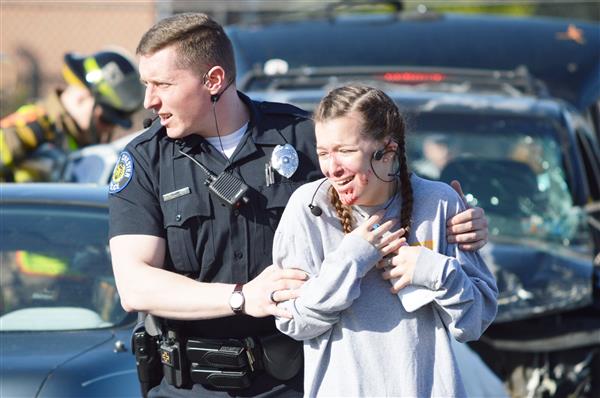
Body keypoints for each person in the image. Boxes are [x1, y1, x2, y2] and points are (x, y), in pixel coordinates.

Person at [107, 13, 490, 397]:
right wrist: (241, 297)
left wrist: (459, 220)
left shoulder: (303, 137)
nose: (148, 99)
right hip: (193, 384)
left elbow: (393, 190)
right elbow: (134, 285)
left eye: (162, 84)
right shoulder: (146, 159)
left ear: (214, 80)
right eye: (146, 84)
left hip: (295, 378)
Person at [273, 84, 498, 397]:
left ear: (387, 152)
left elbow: (476, 322)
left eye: (346, 151)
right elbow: (292, 322)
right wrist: (351, 259)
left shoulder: (439, 203)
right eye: (324, 152)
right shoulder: (309, 209)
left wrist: (437, 272)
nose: (332, 168)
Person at [0, 48, 144, 182]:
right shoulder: (31, 126)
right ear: (81, 98)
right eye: (106, 120)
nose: (109, 129)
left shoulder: (74, 136)